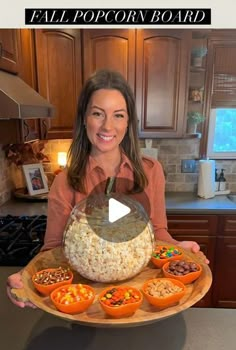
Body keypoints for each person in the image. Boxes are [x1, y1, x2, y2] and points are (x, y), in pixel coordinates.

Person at [7, 69, 209, 308]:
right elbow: (54, 250)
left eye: (118, 115)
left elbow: (157, 233)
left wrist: (177, 247)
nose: (107, 126)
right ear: (84, 118)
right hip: (84, 306)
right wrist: (28, 281)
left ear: (128, 122)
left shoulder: (150, 171)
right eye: (97, 114)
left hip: (140, 302)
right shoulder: (65, 181)